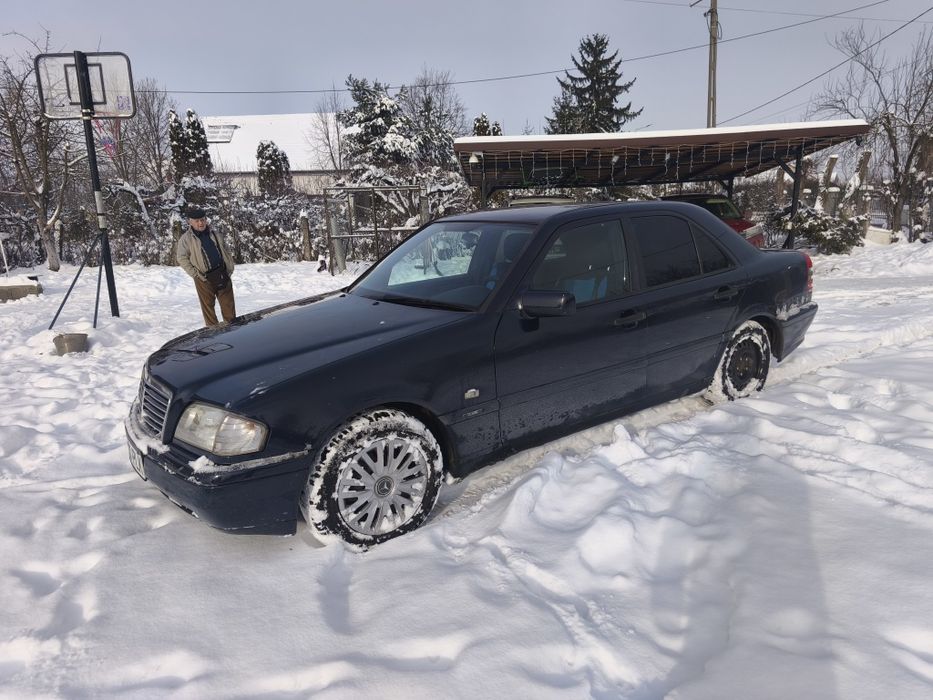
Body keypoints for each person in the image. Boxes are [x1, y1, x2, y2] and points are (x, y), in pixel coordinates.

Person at [176, 206, 236, 326]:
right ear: (190, 222)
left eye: (202, 220)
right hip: (203, 278)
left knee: (229, 308)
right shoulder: (186, 239)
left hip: (222, 273)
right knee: (209, 310)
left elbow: (226, 250)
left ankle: (232, 333)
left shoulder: (214, 234)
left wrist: (229, 267)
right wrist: (195, 274)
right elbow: (181, 258)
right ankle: (213, 337)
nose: (200, 223)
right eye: (197, 221)